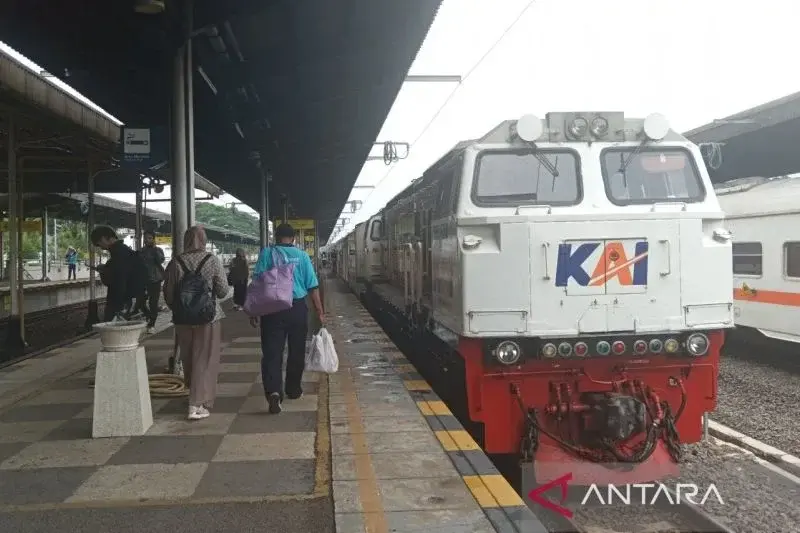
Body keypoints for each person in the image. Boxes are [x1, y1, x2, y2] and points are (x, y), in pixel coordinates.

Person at [250, 223, 324, 414]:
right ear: (293, 238)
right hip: (297, 307)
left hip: (272, 308)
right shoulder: (302, 256)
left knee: (272, 352)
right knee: (296, 350)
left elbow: (257, 283)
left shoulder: (267, 254)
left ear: (276, 236)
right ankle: (293, 389)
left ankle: (274, 391)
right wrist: (319, 311)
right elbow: (312, 286)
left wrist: (253, 311)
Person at [163, 226, 229, 421]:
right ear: (204, 240)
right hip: (208, 318)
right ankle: (196, 404)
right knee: (205, 358)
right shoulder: (212, 260)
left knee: (189, 357)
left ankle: (194, 394)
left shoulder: (176, 262)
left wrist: (182, 308)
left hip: (183, 319)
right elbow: (224, 291)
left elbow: (168, 294)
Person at [90, 226, 146, 322]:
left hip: (120, 302)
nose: (101, 248)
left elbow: (119, 280)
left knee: (113, 331)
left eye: (99, 244)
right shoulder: (126, 252)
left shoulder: (119, 255)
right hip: (129, 299)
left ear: (104, 238)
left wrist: (119, 308)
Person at [136, 230, 166, 333]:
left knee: (153, 302)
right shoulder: (141, 251)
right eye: (145, 238)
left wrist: (154, 249)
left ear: (153, 239)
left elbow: (160, 260)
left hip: (155, 280)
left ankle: (151, 324)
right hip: (143, 279)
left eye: (149, 238)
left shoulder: (158, 250)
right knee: (140, 302)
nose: (146, 240)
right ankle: (149, 315)